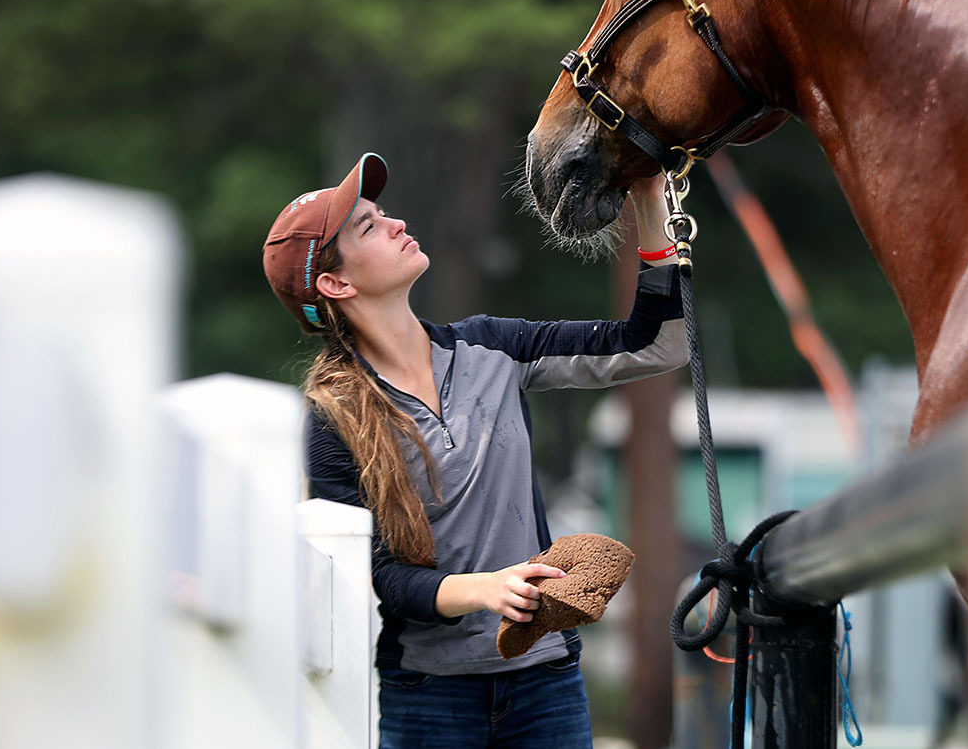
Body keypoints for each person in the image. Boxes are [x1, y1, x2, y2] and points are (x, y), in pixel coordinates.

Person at [262, 152, 688, 748]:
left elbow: (657, 348)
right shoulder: (332, 420)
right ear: (337, 283)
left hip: (547, 684)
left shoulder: (493, 346)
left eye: (384, 213)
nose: (396, 224)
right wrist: (485, 588)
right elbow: (376, 576)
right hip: (428, 698)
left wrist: (650, 204)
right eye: (369, 226)